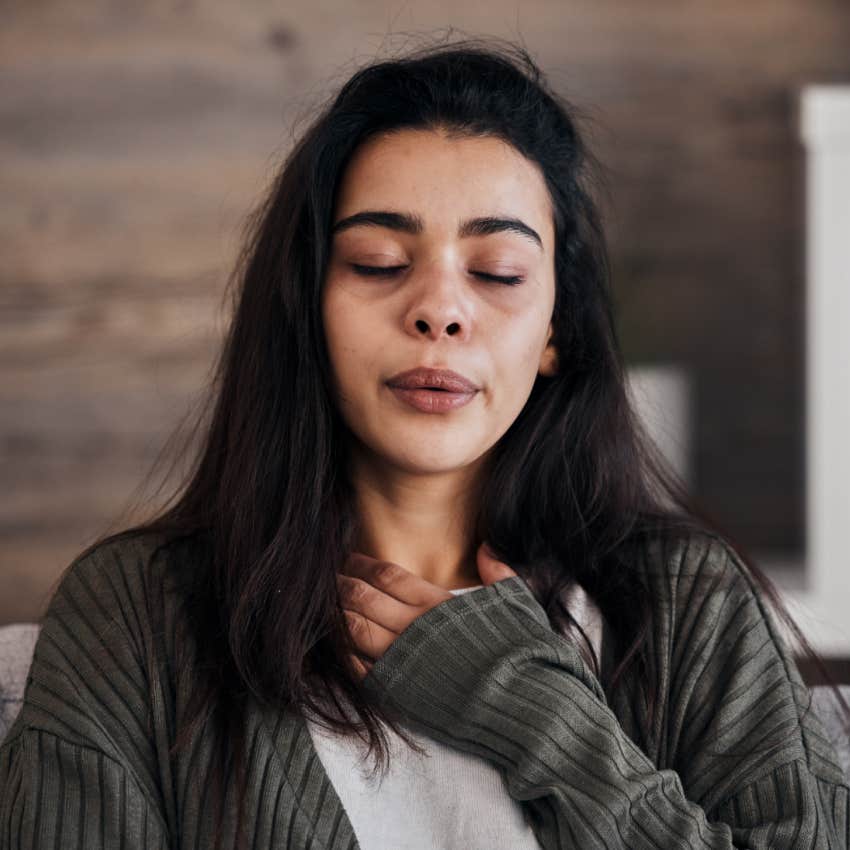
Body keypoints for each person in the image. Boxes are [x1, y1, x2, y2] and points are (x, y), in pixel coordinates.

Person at [1, 35, 848, 850]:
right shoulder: (133, 617)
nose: (439, 309)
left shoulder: (685, 604)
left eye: (498, 273)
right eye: (376, 261)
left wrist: (537, 716)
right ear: (308, 306)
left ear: (556, 328)